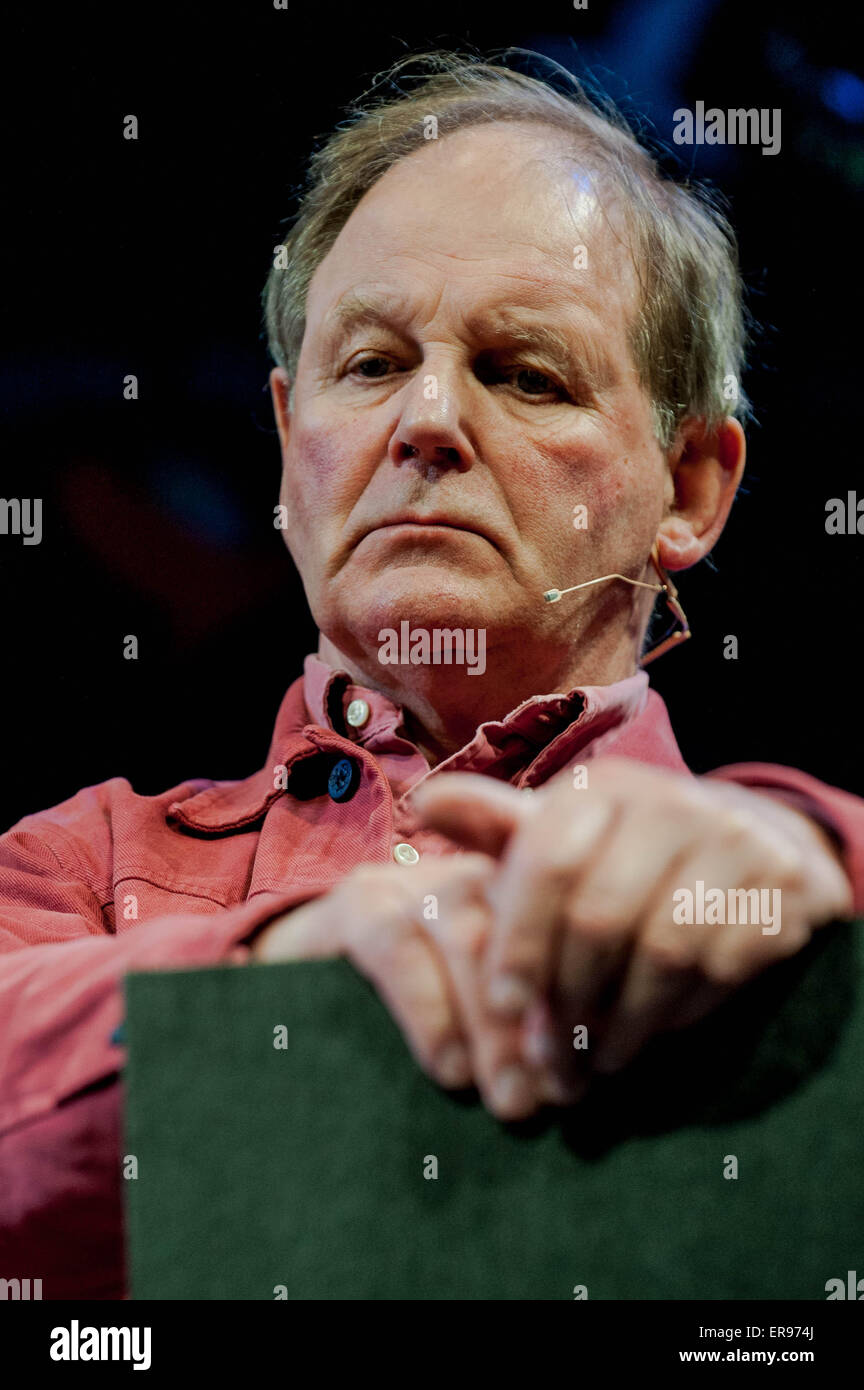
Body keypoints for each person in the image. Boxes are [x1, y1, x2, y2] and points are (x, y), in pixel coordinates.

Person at [1, 51, 862, 1299]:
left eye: (526, 373)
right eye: (370, 364)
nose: (428, 420)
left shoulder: (805, 878)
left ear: (690, 488)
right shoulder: (79, 871)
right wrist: (283, 980)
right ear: (294, 450)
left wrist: (822, 893)